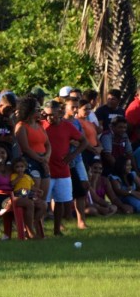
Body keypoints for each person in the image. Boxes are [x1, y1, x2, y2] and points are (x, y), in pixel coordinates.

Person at [44, 100, 88, 236]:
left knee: (61, 201)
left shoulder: (68, 126)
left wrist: (72, 155)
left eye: (52, 114)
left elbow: (84, 141)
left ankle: (57, 230)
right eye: (47, 115)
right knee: (42, 202)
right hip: (45, 170)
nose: (50, 118)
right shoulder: (41, 126)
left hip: (63, 170)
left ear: (59, 112)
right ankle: (38, 230)